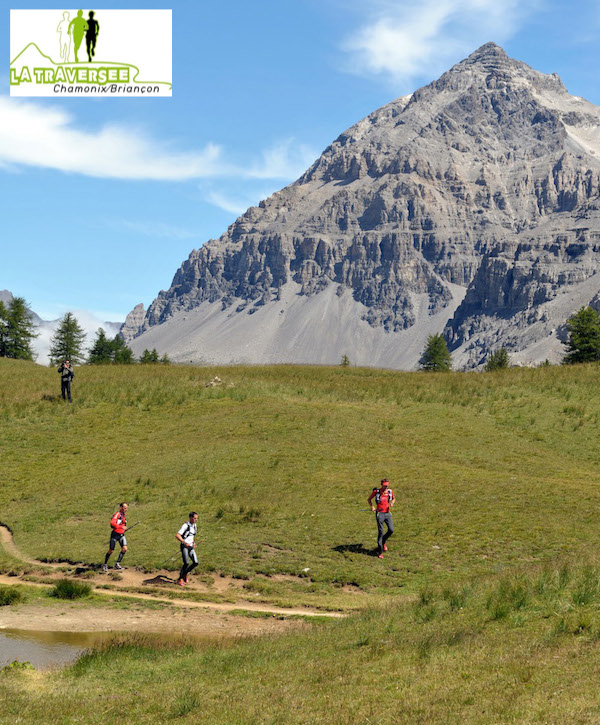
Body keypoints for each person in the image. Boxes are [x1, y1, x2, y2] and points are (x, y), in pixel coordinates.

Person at [368, 479, 395, 559]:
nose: (386, 487)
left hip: (387, 513)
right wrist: (372, 506)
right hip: (380, 514)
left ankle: (383, 541)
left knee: (391, 530)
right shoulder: (376, 492)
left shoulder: (390, 492)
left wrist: (392, 502)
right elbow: (369, 499)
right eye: (384, 485)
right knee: (381, 531)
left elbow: (393, 498)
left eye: (387, 485)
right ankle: (379, 551)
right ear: (381, 485)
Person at [103, 502, 129, 571]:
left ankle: (117, 564)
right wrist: (121, 527)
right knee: (111, 550)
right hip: (115, 535)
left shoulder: (124, 515)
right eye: (125, 508)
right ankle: (105, 564)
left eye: (127, 508)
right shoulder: (118, 514)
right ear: (121, 508)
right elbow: (112, 523)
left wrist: (123, 529)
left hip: (121, 535)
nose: (126, 509)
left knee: (124, 549)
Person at [176, 512, 198, 587]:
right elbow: (177, 535)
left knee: (195, 562)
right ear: (190, 518)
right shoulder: (185, 525)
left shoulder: (194, 526)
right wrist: (184, 542)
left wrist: (193, 543)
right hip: (184, 546)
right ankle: (180, 578)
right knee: (186, 563)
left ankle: (185, 573)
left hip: (191, 546)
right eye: (195, 518)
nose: (196, 519)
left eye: (196, 518)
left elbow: (192, 536)